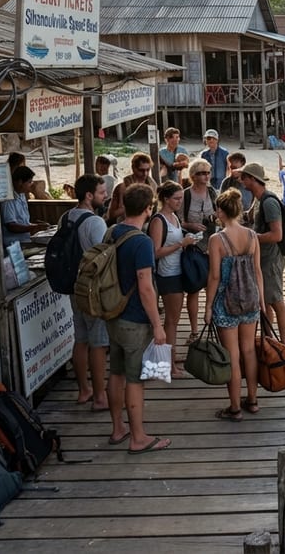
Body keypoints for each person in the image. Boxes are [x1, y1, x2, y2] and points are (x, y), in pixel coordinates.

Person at [105, 183, 171, 454]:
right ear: (148, 209)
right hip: (134, 319)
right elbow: (145, 286)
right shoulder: (142, 242)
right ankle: (138, 437)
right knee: (135, 379)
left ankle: (117, 428)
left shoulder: (112, 232)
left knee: (116, 373)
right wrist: (158, 325)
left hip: (113, 315)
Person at [204, 188, 265, 419]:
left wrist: (208, 306)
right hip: (250, 299)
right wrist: (261, 300)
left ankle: (234, 407)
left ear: (220, 211)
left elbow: (215, 276)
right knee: (249, 350)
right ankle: (252, 399)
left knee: (232, 354)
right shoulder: (251, 236)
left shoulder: (217, 239)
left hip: (225, 302)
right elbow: (258, 271)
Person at [64, 174, 110, 409]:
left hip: (73, 286)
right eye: (102, 193)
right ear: (89, 195)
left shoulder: (68, 216)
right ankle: (100, 396)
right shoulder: (95, 222)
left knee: (80, 339)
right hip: (91, 288)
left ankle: (84, 390)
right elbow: (102, 259)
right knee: (98, 342)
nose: (105, 197)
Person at [239, 163, 285, 344]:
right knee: (265, 302)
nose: (241, 180)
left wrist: (252, 237)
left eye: (244, 177)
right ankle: (268, 340)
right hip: (262, 259)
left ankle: (284, 344)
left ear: (252, 179)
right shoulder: (258, 199)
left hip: (271, 260)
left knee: (276, 301)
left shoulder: (268, 202)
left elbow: (277, 235)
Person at [148, 181, 194, 379]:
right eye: (176, 198)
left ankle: (167, 363)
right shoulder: (159, 220)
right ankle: (169, 366)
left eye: (181, 198)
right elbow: (155, 252)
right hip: (167, 274)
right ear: (165, 199)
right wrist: (180, 244)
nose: (179, 202)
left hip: (177, 271)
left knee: (172, 321)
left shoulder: (173, 217)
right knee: (172, 323)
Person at [181, 159, 217, 341]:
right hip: (194, 245)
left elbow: (220, 216)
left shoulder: (212, 192)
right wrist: (191, 225)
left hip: (212, 244)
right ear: (193, 176)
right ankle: (194, 331)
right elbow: (179, 221)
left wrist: (214, 218)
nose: (206, 176)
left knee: (214, 287)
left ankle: (215, 327)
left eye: (208, 172)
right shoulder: (186, 195)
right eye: (202, 173)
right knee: (194, 288)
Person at [2, 166, 48, 247]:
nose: (31, 185)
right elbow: (11, 226)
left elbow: (24, 222)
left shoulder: (22, 195)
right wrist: (33, 228)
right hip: (14, 243)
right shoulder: (8, 200)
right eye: (29, 182)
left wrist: (36, 226)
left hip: (25, 239)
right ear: (20, 182)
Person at [107, 152, 159, 224]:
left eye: (148, 170)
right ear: (133, 168)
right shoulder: (122, 187)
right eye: (141, 170)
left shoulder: (153, 185)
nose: (145, 173)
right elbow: (112, 215)